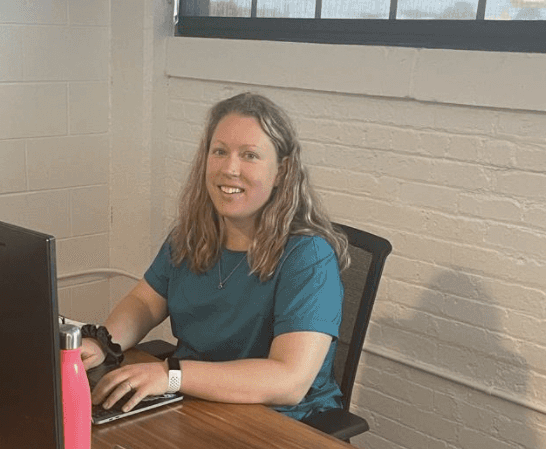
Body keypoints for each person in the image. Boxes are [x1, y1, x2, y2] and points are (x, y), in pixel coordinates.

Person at [83, 92, 349, 422]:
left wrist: (172, 376)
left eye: (250, 155)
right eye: (219, 151)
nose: (229, 169)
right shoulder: (190, 236)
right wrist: (104, 343)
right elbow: (145, 302)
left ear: (282, 171)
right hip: (197, 404)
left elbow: (289, 380)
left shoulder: (309, 257)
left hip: (281, 422)